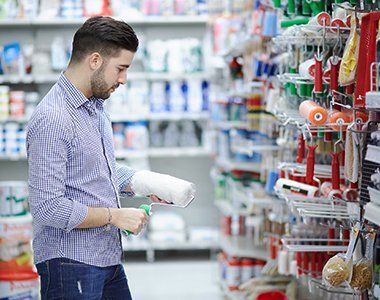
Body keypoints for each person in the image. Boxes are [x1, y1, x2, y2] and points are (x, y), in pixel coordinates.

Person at [26, 16, 163, 299]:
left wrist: (147, 183)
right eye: (121, 68)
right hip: (69, 264)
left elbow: (97, 171)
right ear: (95, 60)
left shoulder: (94, 107)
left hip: (106, 258)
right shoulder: (53, 118)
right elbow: (48, 207)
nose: (124, 79)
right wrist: (114, 216)